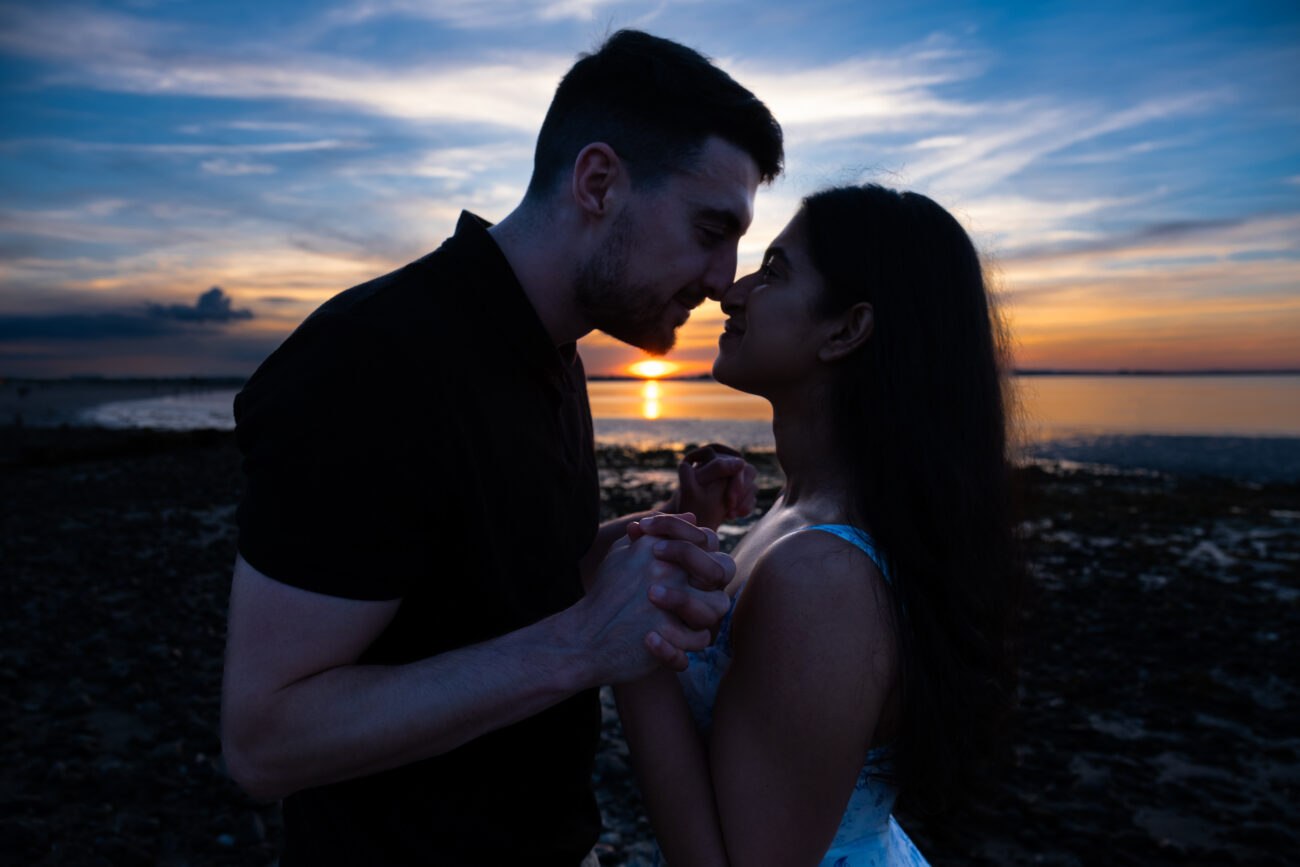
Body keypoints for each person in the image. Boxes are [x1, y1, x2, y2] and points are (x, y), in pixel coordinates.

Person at [219, 30, 783, 866]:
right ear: (598, 182)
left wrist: (643, 542)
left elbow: (487, 587)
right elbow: (264, 742)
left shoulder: (553, 351)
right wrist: (585, 643)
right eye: (711, 229)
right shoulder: (373, 361)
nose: (723, 278)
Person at [614, 183, 1022, 866]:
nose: (731, 291)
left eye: (773, 271)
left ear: (847, 328)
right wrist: (690, 536)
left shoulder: (823, 575)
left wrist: (635, 647)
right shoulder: (802, 512)